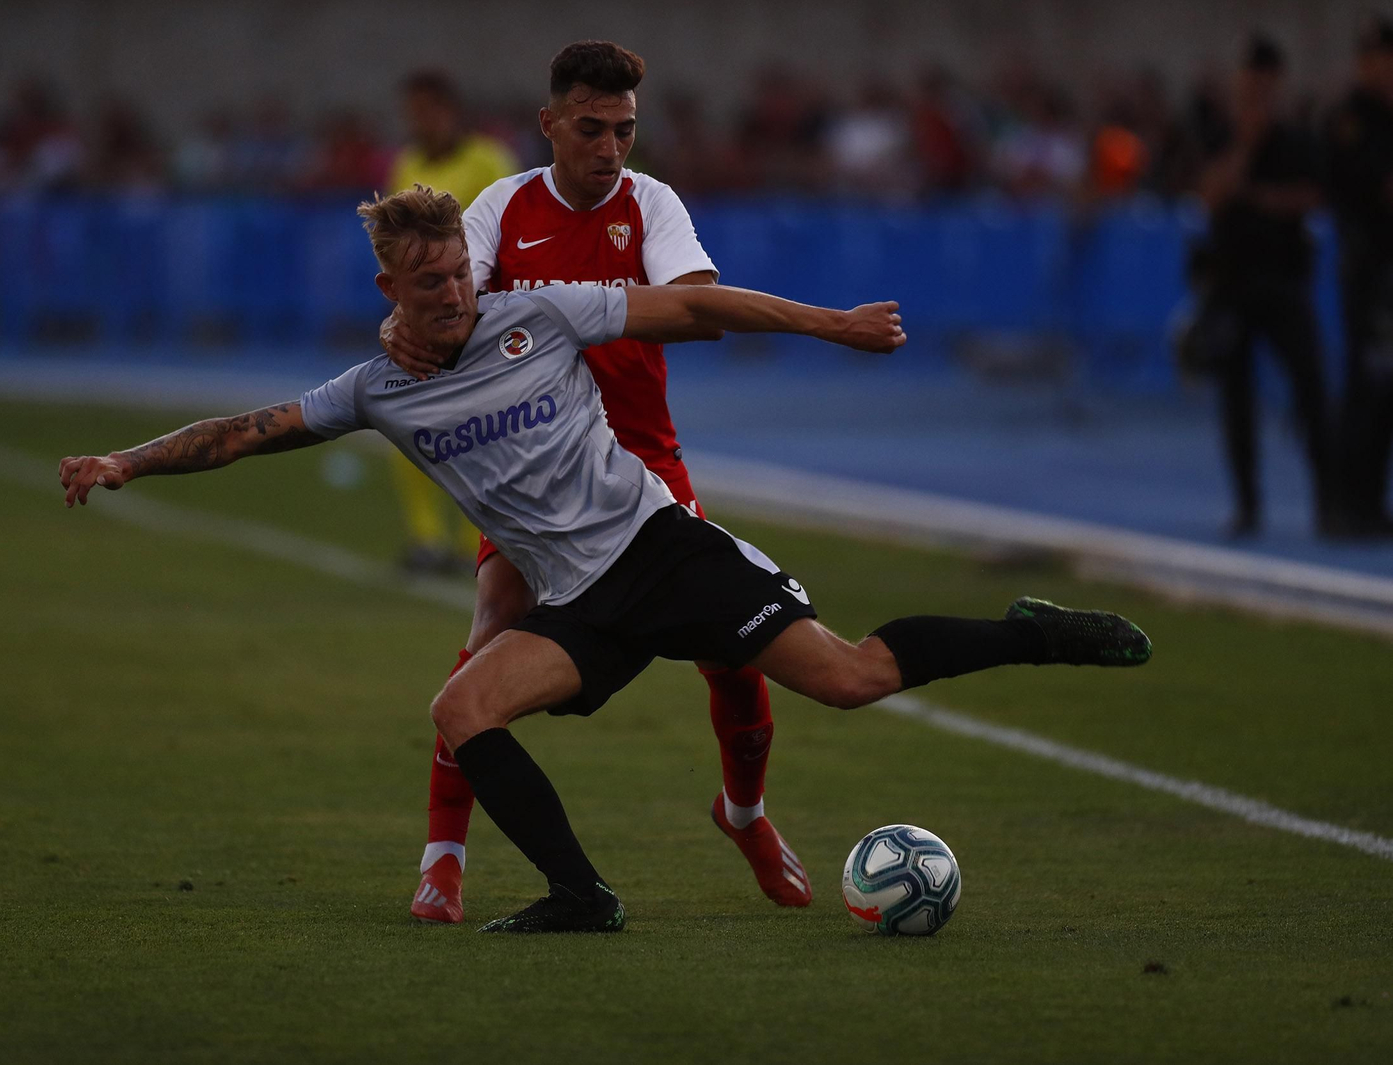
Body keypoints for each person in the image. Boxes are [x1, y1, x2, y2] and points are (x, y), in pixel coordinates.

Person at [59, 185, 1153, 934]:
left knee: (852, 677)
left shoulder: (536, 313)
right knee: (461, 706)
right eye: (427, 281)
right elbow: (246, 430)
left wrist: (828, 324)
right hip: (577, 599)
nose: (451, 294)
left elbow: (686, 304)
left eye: (457, 274)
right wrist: (123, 460)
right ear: (389, 287)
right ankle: (581, 895)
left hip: (660, 548)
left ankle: (1033, 630)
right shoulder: (375, 387)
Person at [378, 40, 811, 925]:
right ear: (551, 125)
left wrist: (592, 306)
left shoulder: (652, 203)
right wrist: (401, 325)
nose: (611, 147)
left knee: (735, 653)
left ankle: (745, 815)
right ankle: (443, 859)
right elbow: (447, 298)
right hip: (536, 472)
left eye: (625, 130)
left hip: (646, 463)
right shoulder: (501, 206)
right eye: (592, 127)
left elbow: (693, 302)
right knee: (490, 629)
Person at [1191, 35, 1333, 539]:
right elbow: (1210, 195)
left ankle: (1328, 500)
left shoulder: (1297, 139)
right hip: (1233, 283)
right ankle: (1248, 504)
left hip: (1285, 281)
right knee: (1236, 400)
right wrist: (1246, 149)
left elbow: (1308, 198)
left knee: (1312, 390)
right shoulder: (1222, 135)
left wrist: (1257, 196)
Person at [383, 71, 518, 574]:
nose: (420, 120)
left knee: (484, 430)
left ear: (451, 110)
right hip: (423, 316)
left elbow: (510, 229)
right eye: (413, 110)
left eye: (429, 109)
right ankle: (426, 539)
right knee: (406, 420)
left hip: (481, 315)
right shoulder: (406, 163)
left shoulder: (489, 160)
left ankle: (471, 545)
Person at [1323, 18, 1393, 538]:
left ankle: (1370, 501)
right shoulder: (1352, 117)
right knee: (1364, 385)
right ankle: (1346, 503)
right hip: (1366, 266)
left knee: (1384, 391)